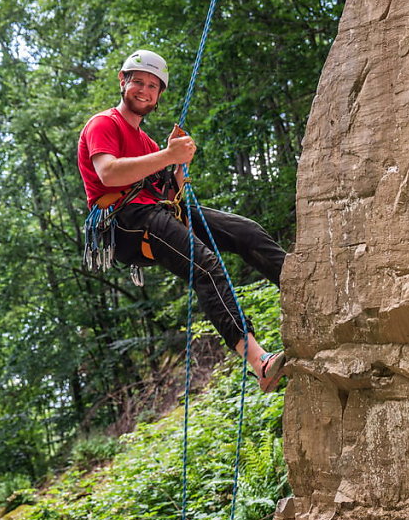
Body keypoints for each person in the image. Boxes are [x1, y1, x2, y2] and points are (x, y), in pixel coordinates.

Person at [77, 49, 287, 392]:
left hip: (157, 211)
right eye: (138, 82)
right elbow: (109, 173)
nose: (144, 91)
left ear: (159, 94)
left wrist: (176, 167)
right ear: (123, 81)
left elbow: (171, 195)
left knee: (245, 232)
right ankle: (259, 363)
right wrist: (168, 154)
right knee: (204, 265)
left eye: (152, 86)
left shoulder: (145, 141)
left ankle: (301, 286)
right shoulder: (105, 124)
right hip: (126, 220)